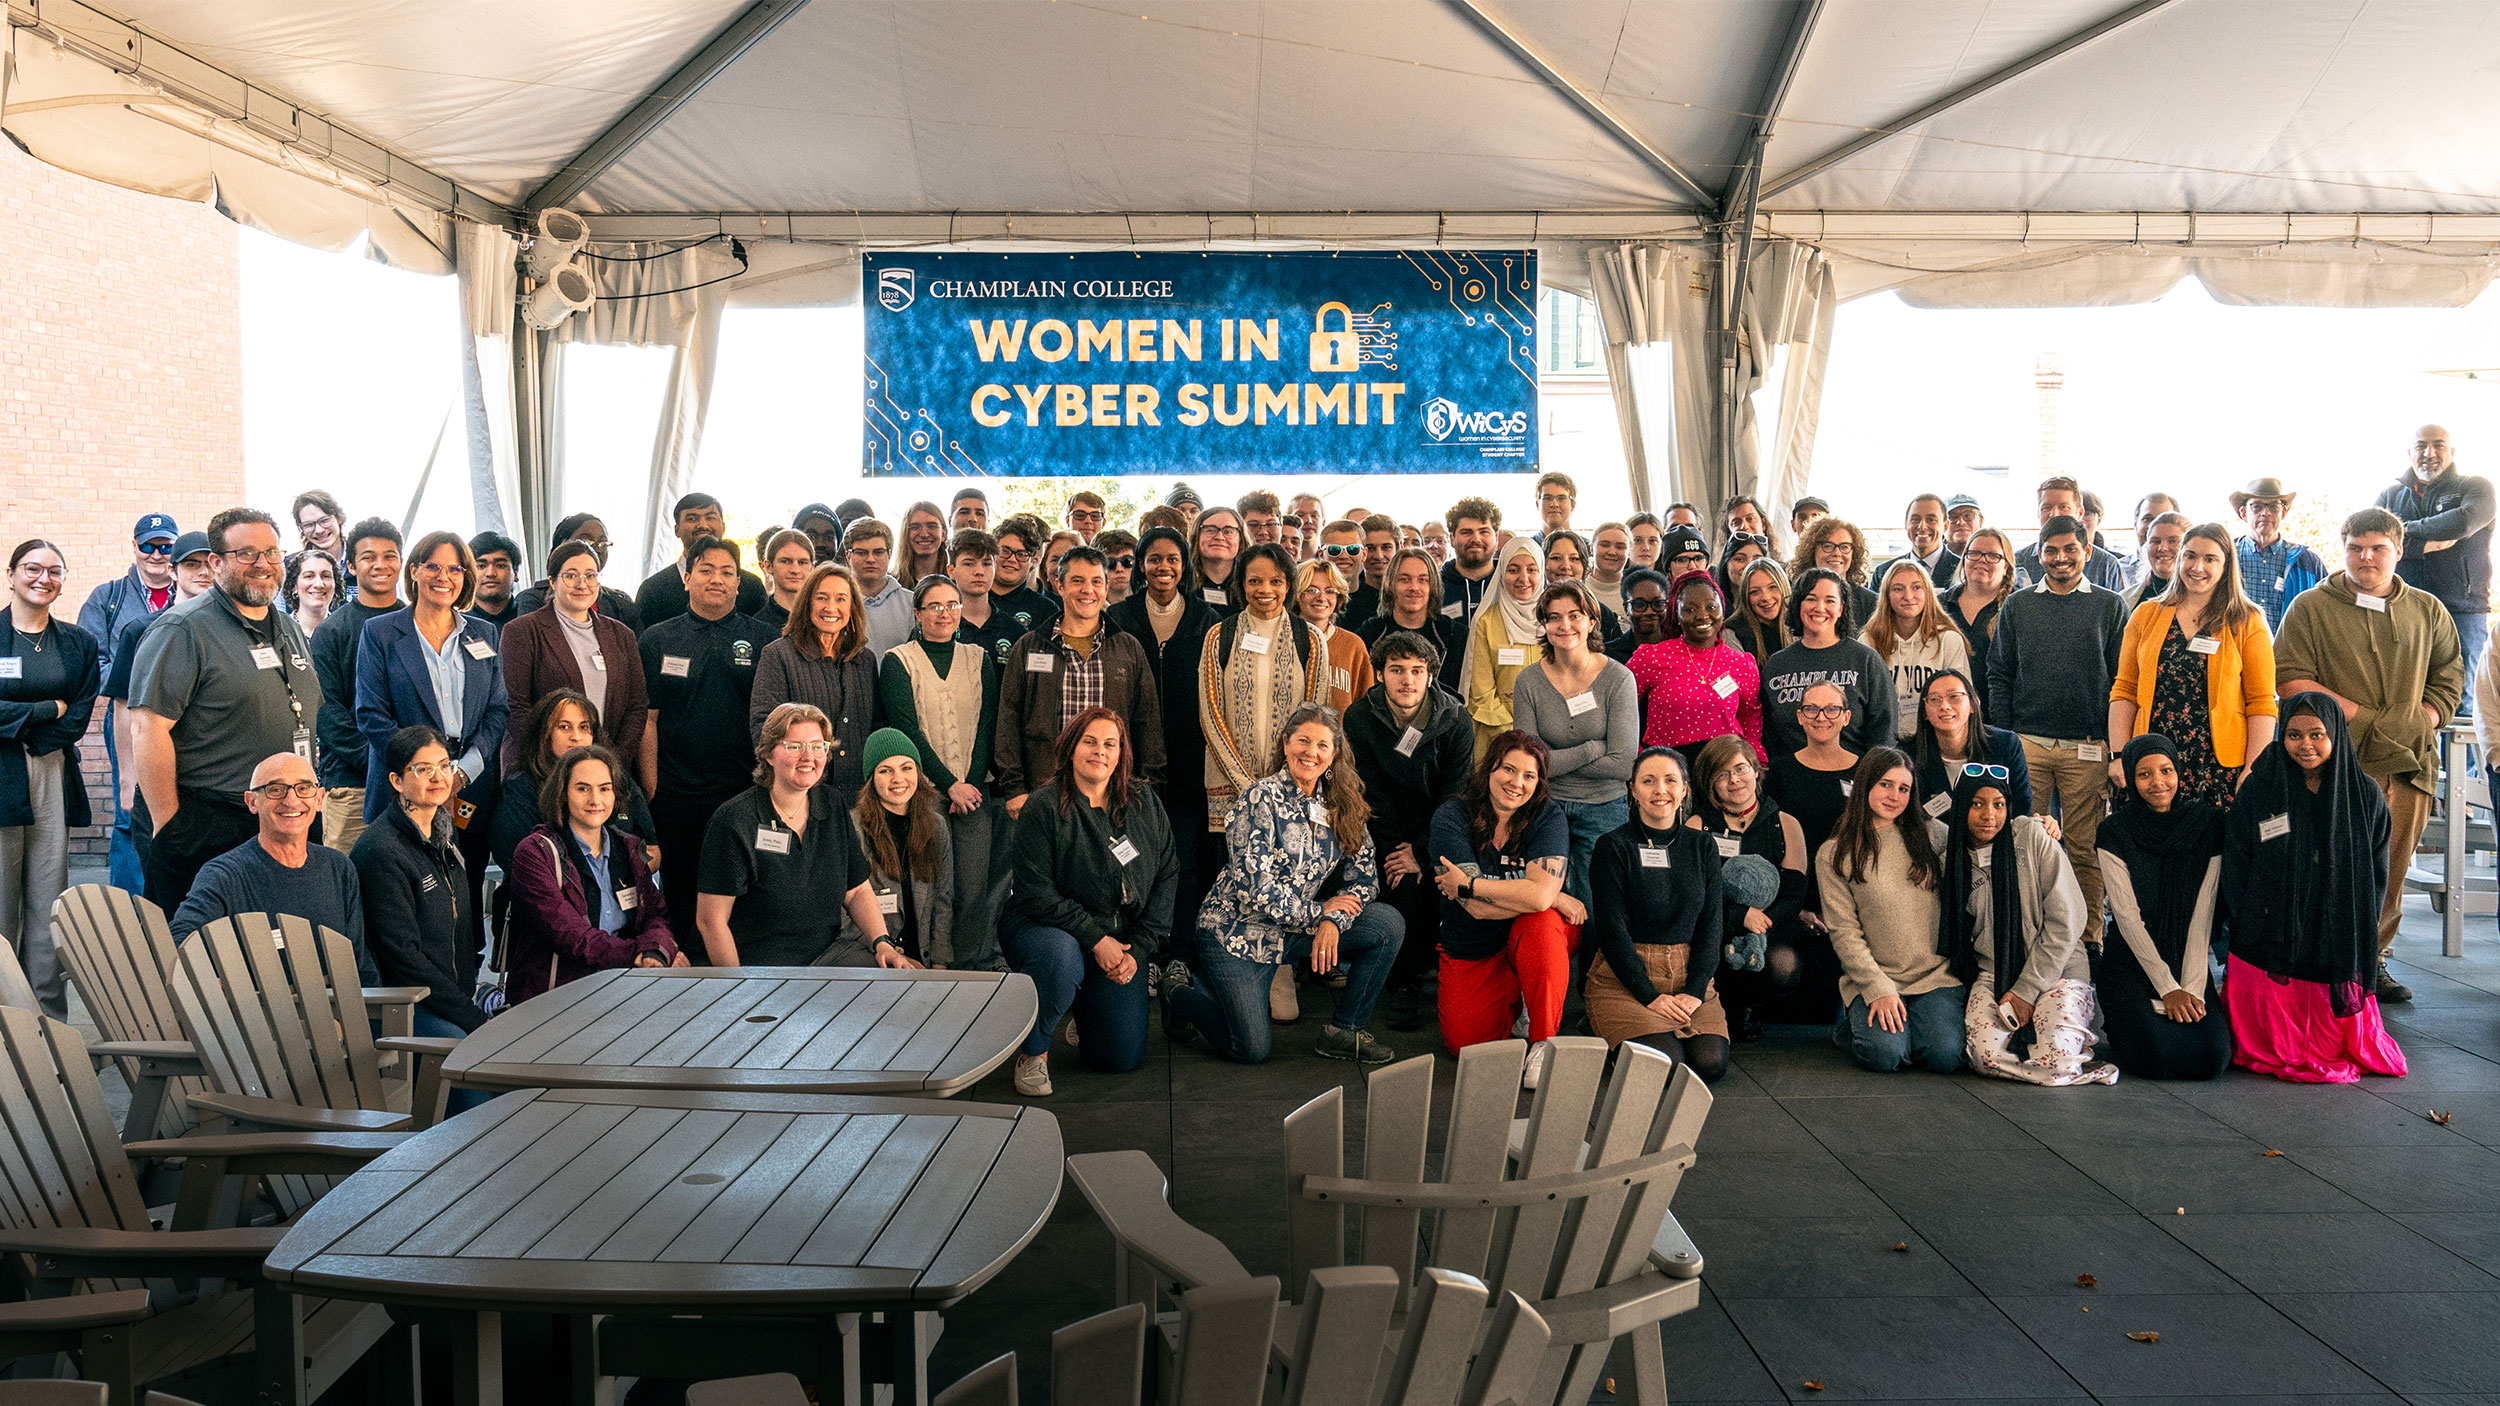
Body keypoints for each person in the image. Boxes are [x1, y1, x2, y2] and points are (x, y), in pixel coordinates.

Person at [2274, 507, 2462, 1000]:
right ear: (2343, 550)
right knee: (2325, 867)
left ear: (2398, 550)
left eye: (2378, 548)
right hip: (2334, 767)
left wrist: (2420, 721)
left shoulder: (2428, 610)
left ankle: (2372, 961)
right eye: (2356, 548)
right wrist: (2359, 717)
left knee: (2389, 871)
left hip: (2408, 765)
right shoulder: (2310, 608)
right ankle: (2317, 965)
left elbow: (2449, 678)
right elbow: (2290, 678)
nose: (2366, 558)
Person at [1169, 703, 1402, 1065]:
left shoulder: (1341, 802)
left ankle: (1344, 1031)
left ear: (1334, 754)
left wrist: (1332, 920)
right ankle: (1179, 995)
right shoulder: (1259, 798)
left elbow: (1365, 878)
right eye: (1303, 741)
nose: (1311, 752)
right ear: (1286, 743)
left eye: (1322, 745)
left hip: (1294, 930)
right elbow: (1255, 888)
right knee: (1250, 1049)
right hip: (1236, 934)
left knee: (1387, 923)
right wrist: (1319, 913)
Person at [127, 509, 324, 914]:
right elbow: (147, 730)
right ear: (216, 562)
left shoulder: (287, 628)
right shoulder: (182, 629)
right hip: (208, 823)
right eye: (247, 553)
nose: (263, 564)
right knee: (206, 946)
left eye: (271, 552)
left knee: (283, 941)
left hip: (284, 816)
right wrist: (169, 826)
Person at [2222, 698, 2407, 1082]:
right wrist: (2249, 916)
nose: (2305, 745)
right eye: (2294, 735)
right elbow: (2237, 860)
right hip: (2268, 932)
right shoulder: (2261, 787)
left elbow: (2377, 871)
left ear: (2335, 735)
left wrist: (2358, 926)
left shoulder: (2365, 794)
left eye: (2317, 735)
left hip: (2334, 929)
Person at [1002, 709, 1177, 1093]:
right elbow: (1036, 892)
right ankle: (1033, 1053)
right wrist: (1096, 940)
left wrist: (1138, 949)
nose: (1100, 751)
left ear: (1121, 754)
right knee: (1061, 960)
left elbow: (1167, 873)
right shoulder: (1043, 806)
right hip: (1046, 928)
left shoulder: (1144, 802)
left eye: (1110, 744)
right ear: (1070, 748)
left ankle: (1085, 1010)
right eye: (1090, 742)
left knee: (1118, 1058)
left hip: (1119, 939)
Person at [696, 700, 909, 974]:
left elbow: (856, 890)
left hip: (828, 956)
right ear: (768, 754)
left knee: (898, 981)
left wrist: (882, 943)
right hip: (760, 969)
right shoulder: (735, 820)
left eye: (818, 746)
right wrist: (739, 985)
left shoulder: (832, 804)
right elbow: (710, 921)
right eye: (795, 746)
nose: (809, 757)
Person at [639, 535, 779, 946]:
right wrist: (652, 787)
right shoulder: (658, 640)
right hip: (677, 794)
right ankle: (686, 969)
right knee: (682, 893)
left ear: (739, 583)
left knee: (747, 887)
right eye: (706, 570)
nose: (716, 579)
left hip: (746, 789)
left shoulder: (765, 640)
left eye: (727, 572)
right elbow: (648, 719)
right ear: (686, 578)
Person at [1990, 514, 2126, 922]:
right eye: (2051, 550)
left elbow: (2122, 680)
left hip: (2087, 746)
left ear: (2088, 551)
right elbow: (1999, 673)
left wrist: (2111, 742)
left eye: (2070, 549)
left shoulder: (2109, 605)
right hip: (2027, 745)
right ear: (2038, 553)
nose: (2060, 558)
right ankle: (2029, 930)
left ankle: (2089, 937)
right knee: (2024, 844)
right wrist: (2006, 737)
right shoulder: (2019, 605)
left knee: (2085, 849)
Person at [1939, 769, 2115, 1085]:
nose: (1988, 815)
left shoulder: (2033, 837)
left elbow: (2067, 920)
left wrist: (2026, 990)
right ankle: (2065, 1065)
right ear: (1961, 806)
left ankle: (2063, 1060)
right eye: (1976, 804)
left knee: (2056, 1058)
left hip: (2059, 971)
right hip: (1994, 974)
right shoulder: (1951, 862)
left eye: (1998, 804)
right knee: (1983, 1057)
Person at [1429, 731, 1580, 1085]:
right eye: (1508, 770)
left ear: (1539, 782)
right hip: (1474, 942)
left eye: (1529, 775)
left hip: (1534, 935)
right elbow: (1476, 909)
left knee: (1541, 922)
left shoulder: (1548, 815)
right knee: (1465, 1045)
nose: (1517, 783)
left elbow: (1534, 900)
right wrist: (1547, 894)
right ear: (1490, 769)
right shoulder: (1452, 815)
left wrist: (1471, 884)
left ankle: (1542, 1041)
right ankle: (1519, 995)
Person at [1346, 629, 1473, 1032]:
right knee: (1399, 885)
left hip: (1441, 826)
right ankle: (1402, 984)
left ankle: (1440, 972)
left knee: (1441, 884)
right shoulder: (1359, 718)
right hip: (1383, 828)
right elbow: (1369, 789)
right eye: (1397, 669)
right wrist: (1401, 851)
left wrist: (1421, 851)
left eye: (1417, 670)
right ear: (1379, 673)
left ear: (1430, 675)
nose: (1407, 679)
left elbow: (1455, 793)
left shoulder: (1456, 719)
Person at [879, 575, 1006, 971]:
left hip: (975, 794)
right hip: (922, 796)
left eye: (952, 604)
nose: (944, 613)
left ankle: (968, 966)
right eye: (934, 606)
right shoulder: (898, 661)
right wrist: (950, 786)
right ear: (917, 613)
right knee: (929, 890)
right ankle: (933, 966)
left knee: (973, 889)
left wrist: (969, 786)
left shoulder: (978, 658)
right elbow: (906, 729)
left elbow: (987, 725)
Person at [352, 532, 510, 848]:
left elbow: (497, 711)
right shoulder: (380, 633)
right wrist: (425, 772)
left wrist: (462, 773)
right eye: (433, 567)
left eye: (454, 569)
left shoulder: (484, 633)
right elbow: (371, 714)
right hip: (403, 790)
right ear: (414, 570)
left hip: (470, 787)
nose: (444, 577)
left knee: (468, 875)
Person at [168, 751, 378, 985]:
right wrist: (215, 986)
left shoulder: (338, 868)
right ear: (252, 802)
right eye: (275, 790)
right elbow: (180, 944)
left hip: (337, 1007)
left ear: (319, 799)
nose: (291, 801)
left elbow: (360, 965)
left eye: (304, 788)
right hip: (256, 1008)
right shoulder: (224, 876)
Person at [2108, 522, 2277, 811]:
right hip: (2152, 762)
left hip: (2218, 767)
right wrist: (2119, 754)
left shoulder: (2247, 621)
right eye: (2190, 556)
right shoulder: (2145, 615)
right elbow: (2124, 690)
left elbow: (2261, 702)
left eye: (2210, 559)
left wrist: (2253, 768)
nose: (2197, 567)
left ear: (2226, 565)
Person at [351, 726, 493, 1064]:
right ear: (397, 781)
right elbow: (403, 960)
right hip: (407, 1005)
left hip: (452, 998)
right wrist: (470, 1016)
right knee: (474, 1059)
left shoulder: (443, 829)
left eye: (444, 765)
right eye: (423, 769)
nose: (438, 777)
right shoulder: (381, 851)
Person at [1586, 748, 1728, 1081]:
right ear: (1633, 790)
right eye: (1648, 781)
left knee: (1710, 1064)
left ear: (1685, 789)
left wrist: (1695, 990)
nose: (1660, 790)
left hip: (1688, 973)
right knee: (1666, 1065)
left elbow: (1712, 923)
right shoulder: (1612, 846)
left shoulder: (1702, 846)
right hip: (1625, 979)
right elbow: (1611, 929)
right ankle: (1605, 1026)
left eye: (1670, 780)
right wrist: (1649, 995)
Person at [2095, 735, 2231, 1081]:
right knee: (2156, 1055)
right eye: (2144, 774)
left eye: (2166, 771)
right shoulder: (2114, 831)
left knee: (2212, 1056)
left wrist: (2191, 988)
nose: (2158, 782)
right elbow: (2127, 917)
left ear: (2179, 772)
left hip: (2188, 959)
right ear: (2130, 778)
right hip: (2132, 960)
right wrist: (2167, 987)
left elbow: (2203, 915)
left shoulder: (2207, 824)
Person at [505, 740, 681, 1005]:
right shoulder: (535, 853)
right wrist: (638, 955)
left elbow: (656, 915)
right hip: (554, 1000)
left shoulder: (629, 849)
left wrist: (657, 952)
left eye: (604, 789)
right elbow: (571, 935)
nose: (595, 800)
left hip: (623, 991)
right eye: (582, 788)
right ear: (562, 793)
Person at [0, 541, 97, 1016]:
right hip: (1, 776)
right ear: (11, 574)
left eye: (54, 571)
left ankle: (48, 1018)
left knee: (47, 898)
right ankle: (5, 1019)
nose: (43, 578)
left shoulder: (78, 643)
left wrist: (26, 729)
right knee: (1, 902)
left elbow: (76, 716)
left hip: (51, 770)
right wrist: (43, 709)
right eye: (32, 568)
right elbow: (58, 709)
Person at [1819, 748, 1960, 1073]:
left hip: (1934, 976)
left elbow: (1984, 840)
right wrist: (1877, 988)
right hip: (1877, 976)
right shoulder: (1834, 853)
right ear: (1865, 784)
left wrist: (2038, 826)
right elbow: (1844, 932)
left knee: (1945, 1057)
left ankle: (1911, 1029)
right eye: (1885, 784)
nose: (1894, 796)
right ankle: (1853, 1029)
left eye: (1904, 788)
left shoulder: (1933, 834)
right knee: (1885, 1055)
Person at [998, 544, 1165, 816]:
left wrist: (1147, 790)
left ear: (1106, 587)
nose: (1088, 590)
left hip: (1112, 794)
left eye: (1096, 582)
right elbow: (1008, 719)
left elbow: (1148, 723)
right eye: (1077, 581)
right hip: (1044, 791)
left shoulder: (1128, 649)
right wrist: (1014, 788)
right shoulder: (1029, 646)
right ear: (1059, 585)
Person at [1511, 581, 1637, 906]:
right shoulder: (1528, 681)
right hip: (1545, 805)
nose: (1564, 625)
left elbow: (1623, 764)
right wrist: (1592, 749)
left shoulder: (1619, 678)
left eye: (1574, 615)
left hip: (1605, 807)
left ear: (1592, 621)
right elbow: (1529, 764)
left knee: (1598, 906)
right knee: (1548, 906)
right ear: (1544, 624)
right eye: (1554, 617)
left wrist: (1552, 761)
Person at [102, 534, 213, 892]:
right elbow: (123, 707)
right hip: (158, 776)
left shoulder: (229, 628)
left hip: (210, 783)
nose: (202, 573)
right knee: (159, 879)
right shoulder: (141, 629)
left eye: (208, 564)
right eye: (191, 564)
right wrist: (127, 777)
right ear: (173, 571)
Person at [80, 513, 182, 892]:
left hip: (182, 715)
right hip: (128, 713)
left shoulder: (190, 593)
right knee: (130, 811)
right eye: (148, 545)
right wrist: (137, 686)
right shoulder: (107, 598)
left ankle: (170, 901)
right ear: (134, 545)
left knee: (177, 807)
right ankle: (130, 906)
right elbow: (92, 660)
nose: (156, 554)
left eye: (165, 546)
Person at [498, 538, 648, 785]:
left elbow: (637, 706)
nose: (582, 584)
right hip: (540, 771)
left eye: (590, 575)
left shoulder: (622, 635)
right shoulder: (522, 631)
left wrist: (612, 760)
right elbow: (515, 706)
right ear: (552, 581)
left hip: (605, 771)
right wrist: (556, 763)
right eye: (570, 576)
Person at [1689, 735, 1810, 1041]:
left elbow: (1794, 893)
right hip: (1714, 925)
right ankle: (1723, 1008)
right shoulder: (1697, 825)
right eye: (1722, 774)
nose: (1734, 780)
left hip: (1769, 925)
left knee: (1784, 965)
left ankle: (1751, 1007)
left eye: (1740, 769)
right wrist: (1739, 915)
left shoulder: (1785, 823)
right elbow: (1693, 891)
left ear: (1756, 770)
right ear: (1710, 782)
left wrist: (1761, 922)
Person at [489, 688, 657, 880]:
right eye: (564, 727)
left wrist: (612, 881)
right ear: (544, 734)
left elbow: (652, 850)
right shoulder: (520, 789)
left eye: (584, 727)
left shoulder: (618, 779)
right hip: (546, 892)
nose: (576, 737)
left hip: (619, 888)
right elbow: (519, 861)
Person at [751, 562, 881, 801]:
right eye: (822, 598)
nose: (831, 607)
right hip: (799, 795)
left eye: (841, 599)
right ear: (807, 603)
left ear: (853, 607)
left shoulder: (865, 660)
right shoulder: (778, 655)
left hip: (858, 797)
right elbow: (763, 727)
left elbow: (876, 726)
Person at [2380, 423, 2495, 690]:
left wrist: (2402, 530)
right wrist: (2422, 547)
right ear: (2410, 453)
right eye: (2421, 446)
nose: (2429, 453)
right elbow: (2371, 540)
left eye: (2438, 445)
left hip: (2462, 612)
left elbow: (2463, 522)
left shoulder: (2476, 488)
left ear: (2452, 452)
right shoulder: (2390, 496)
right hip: (2401, 609)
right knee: (2403, 692)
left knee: (2463, 696)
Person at [310, 517, 401, 852]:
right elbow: (327, 712)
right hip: (352, 786)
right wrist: (381, 762)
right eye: (368, 557)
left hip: (415, 783)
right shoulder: (332, 631)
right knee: (348, 877)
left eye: (389, 556)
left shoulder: (418, 622)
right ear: (350, 566)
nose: (380, 564)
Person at [836, 729, 957, 967]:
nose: (898, 779)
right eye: (885, 770)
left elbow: (943, 899)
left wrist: (940, 964)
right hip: (873, 958)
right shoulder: (852, 827)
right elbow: (845, 913)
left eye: (906, 768)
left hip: (925, 961)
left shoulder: (936, 825)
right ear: (871, 778)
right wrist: (893, 954)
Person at [1628, 570, 1763, 764]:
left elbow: (1750, 720)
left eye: (1711, 607)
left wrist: (1754, 763)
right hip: (1668, 766)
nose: (1702, 615)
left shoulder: (1742, 664)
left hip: (1724, 765)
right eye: (1690, 610)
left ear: (1722, 610)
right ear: (1677, 614)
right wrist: (1640, 757)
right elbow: (1622, 708)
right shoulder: (1652, 658)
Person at [1762, 568, 1895, 757]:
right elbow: (1768, 735)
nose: (1819, 607)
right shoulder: (1776, 665)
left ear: (1841, 609)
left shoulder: (1865, 660)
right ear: (1798, 605)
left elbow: (1884, 730)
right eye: (1811, 599)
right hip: (1789, 771)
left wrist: (1873, 771)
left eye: (1830, 601)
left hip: (1858, 771)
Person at [1863, 559, 1969, 741]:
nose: (1908, 596)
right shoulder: (1869, 641)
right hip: (1884, 740)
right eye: (1898, 589)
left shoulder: (1948, 640)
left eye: (1916, 587)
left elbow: (1961, 700)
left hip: (1935, 739)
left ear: (1927, 592)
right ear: (1886, 595)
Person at [1910, 669, 2034, 816]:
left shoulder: (2005, 744)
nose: (1944, 706)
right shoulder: (1909, 754)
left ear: (1973, 705)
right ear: (1924, 711)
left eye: (1954, 697)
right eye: (1934, 699)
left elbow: (2021, 808)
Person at [637, 493, 768, 627]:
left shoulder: (751, 586)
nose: (703, 525)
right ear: (677, 530)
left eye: (710, 518)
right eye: (692, 519)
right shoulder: (653, 590)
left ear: (723, 526)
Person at [1465, 538, 1545, 759]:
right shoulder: (1486, 622)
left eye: (1532, 570)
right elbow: (1481, 692)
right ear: (1501, 573)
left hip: (1549, 736)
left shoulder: (1553, 619)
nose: (1523, 578)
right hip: (1498, 738)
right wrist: (1516, 738)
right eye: (1513, 570)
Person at [1354, 547, 1468, 697]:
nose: (1414, 587)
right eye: (1405, 579)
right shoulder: (1370, 634)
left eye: (1423, 580)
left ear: (1433, 586)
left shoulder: (1455, 635)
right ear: (1391, 584)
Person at [508, 514, 642, 629]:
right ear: (560, 546)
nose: (596, 549)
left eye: (603, 543)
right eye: (586, 541)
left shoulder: (620, 602)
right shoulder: (533, 599)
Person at [2230, 477, 2328, 630]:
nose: (2266, 513)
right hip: (2235, 645)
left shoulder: (2308, 562)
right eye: (2257, 506)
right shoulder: (2225, 557)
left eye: (2274, 507)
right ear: (2244, 513)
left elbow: (2326, 611)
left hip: (2290, 645)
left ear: (2283, 513)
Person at [2012, 476, 2129, 590]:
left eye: (2063, 507)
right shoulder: (2018, 561)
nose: (2054, 514)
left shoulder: (2107, 565)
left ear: (2080, 513)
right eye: (2047, 507)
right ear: (2038, 513)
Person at [1291, 559, 1375, 716]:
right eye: (1312, 590)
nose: (1321, 597)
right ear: (1297, 595)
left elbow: (1367, 707)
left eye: (1330, 591)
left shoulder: (1353, 646)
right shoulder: (1282, 640)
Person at [1945, 526, 2016, 705]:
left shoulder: (2016, 607)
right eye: (1974, 553)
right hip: (1948, 710)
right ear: (1964, 559)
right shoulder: (1940, 604)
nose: (1982, 560)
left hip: (2000, 710)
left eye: (1993, 555)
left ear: (2006, 566)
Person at [1788, 517, 1879, 628]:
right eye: (1827, 546)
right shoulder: (1793, 598)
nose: (1837, 553)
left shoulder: (1871, 603)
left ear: (1854, 554)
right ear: (1811, 550)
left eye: (1844, 547)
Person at [844, 519, 915, 659]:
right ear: (848, 555)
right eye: (861, 552)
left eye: (878, 552)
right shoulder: (835, 603)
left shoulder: (912, 603)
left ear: (889, 554)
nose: (870, 559)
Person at [1541, 532, 1624, 640]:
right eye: (1556, 558)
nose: (1566, 566)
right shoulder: (1530, 610)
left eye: (1574, 559)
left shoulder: (1602, 614)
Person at [1724, 557, 1793, 674]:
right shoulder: (1731, 633)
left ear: (1784, 587)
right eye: (1755, 592)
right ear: (1746, 597)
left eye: (1772, 587)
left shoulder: (1800, 624)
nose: (1765, 597)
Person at [1441, 498, 1500, 622]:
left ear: (1496, 537)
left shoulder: (1509, 582)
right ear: (1452, 539)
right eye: (1466, 532)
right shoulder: (1435, 585)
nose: (1476, 539)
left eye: (1483, 532)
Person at [2117, 512, 2188, 613]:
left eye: (2173, 541)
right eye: (2156, 541)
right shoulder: (2124, 599)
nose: (2162, 548)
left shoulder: (2203, 599)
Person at [753, 526, 817, 632]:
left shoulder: (823, 620)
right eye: (785, 561)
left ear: (812, 568)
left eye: (802, 562)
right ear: (768, 566)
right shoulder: (756, 627)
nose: (795, 570)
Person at [1887, 494, 1959, 584]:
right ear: (1906, 524)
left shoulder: (1962, 569)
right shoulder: (1885, 572)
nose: (1922, 526)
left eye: (1930, 520)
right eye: (1915, 519)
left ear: (1945, 526)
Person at [1187, 505, 1244, 609]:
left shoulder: (1249, 583)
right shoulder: (1182, 582)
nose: (1219, 537)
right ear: (1197, 535)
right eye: (1210, 530)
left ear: (1241, 539)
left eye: (1228, 531)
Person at [2119, 493, 2180, 589]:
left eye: (2163, 519)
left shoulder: (2189, 573)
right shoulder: (2116, 570)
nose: (2154, 526)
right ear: (2135, 523)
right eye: (2148, 519)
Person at [466, 532, 522, 627]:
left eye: (500, 566)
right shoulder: (457, 622)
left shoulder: (529, 618)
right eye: (481, 566)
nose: (491, 573)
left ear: (515, 573)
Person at [282, 548, 338, 635]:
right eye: (309, 576)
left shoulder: (346, 632)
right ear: (294, 586)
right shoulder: (279, 632)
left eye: (326, 576)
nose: (319, 584)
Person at [898, 501, 949, 587]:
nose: (924, 534)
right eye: (915, 527)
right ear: (905, 534)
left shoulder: (957, 580)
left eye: (932, 526)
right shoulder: (892, 584)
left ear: (943, 534)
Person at [290, 492, 346, 558]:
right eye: (309, 524)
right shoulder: (289, 564)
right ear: (301, 529)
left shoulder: (356, 558)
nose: (319, 530)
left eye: (324, 520)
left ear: (339, 518)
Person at [1095, 528, 1138, 604]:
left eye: (1127, 561)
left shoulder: (1150, 601)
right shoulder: (1089, 605)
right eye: (1110, 563)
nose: (1119, 569)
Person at [1531, 472, 1576, 543]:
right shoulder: (1526, 548)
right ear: (1537, 504)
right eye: (1547, 498)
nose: (1554, 504)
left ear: (1573, 505)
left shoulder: (1587, 548)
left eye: (1561, 498)